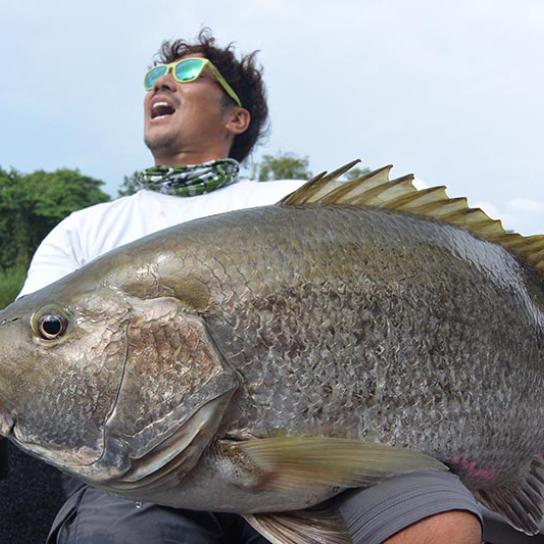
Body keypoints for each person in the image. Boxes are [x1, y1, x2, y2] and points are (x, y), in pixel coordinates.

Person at [19, 29, 483, 544]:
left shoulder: (299, 205)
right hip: (134, 476)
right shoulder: (84, 228)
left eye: (189, 75)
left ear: (236, 118)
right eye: (154, 78)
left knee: (437, 523)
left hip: (347, 453)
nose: (161, 85)